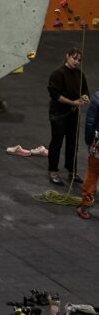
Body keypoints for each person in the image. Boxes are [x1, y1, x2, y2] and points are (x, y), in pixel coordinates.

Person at [47, 48, 90, 187]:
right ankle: (53, 171)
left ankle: (72, 170)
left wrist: (84, 97)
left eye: (79, 60)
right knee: (57, 142)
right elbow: (55, 95)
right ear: (67, 56)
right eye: (74, 58)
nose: (76, 62)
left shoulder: (79, 74)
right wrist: (74, 102)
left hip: (73, 113)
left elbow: (84, 90)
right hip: (59, 114)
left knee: (73, 143)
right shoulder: (57, 74)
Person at [76, 87, 99, 219]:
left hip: (98, 144)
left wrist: (88, 140)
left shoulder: (97, 98)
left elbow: (91, 122)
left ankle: (85, 207)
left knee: (93, 173)